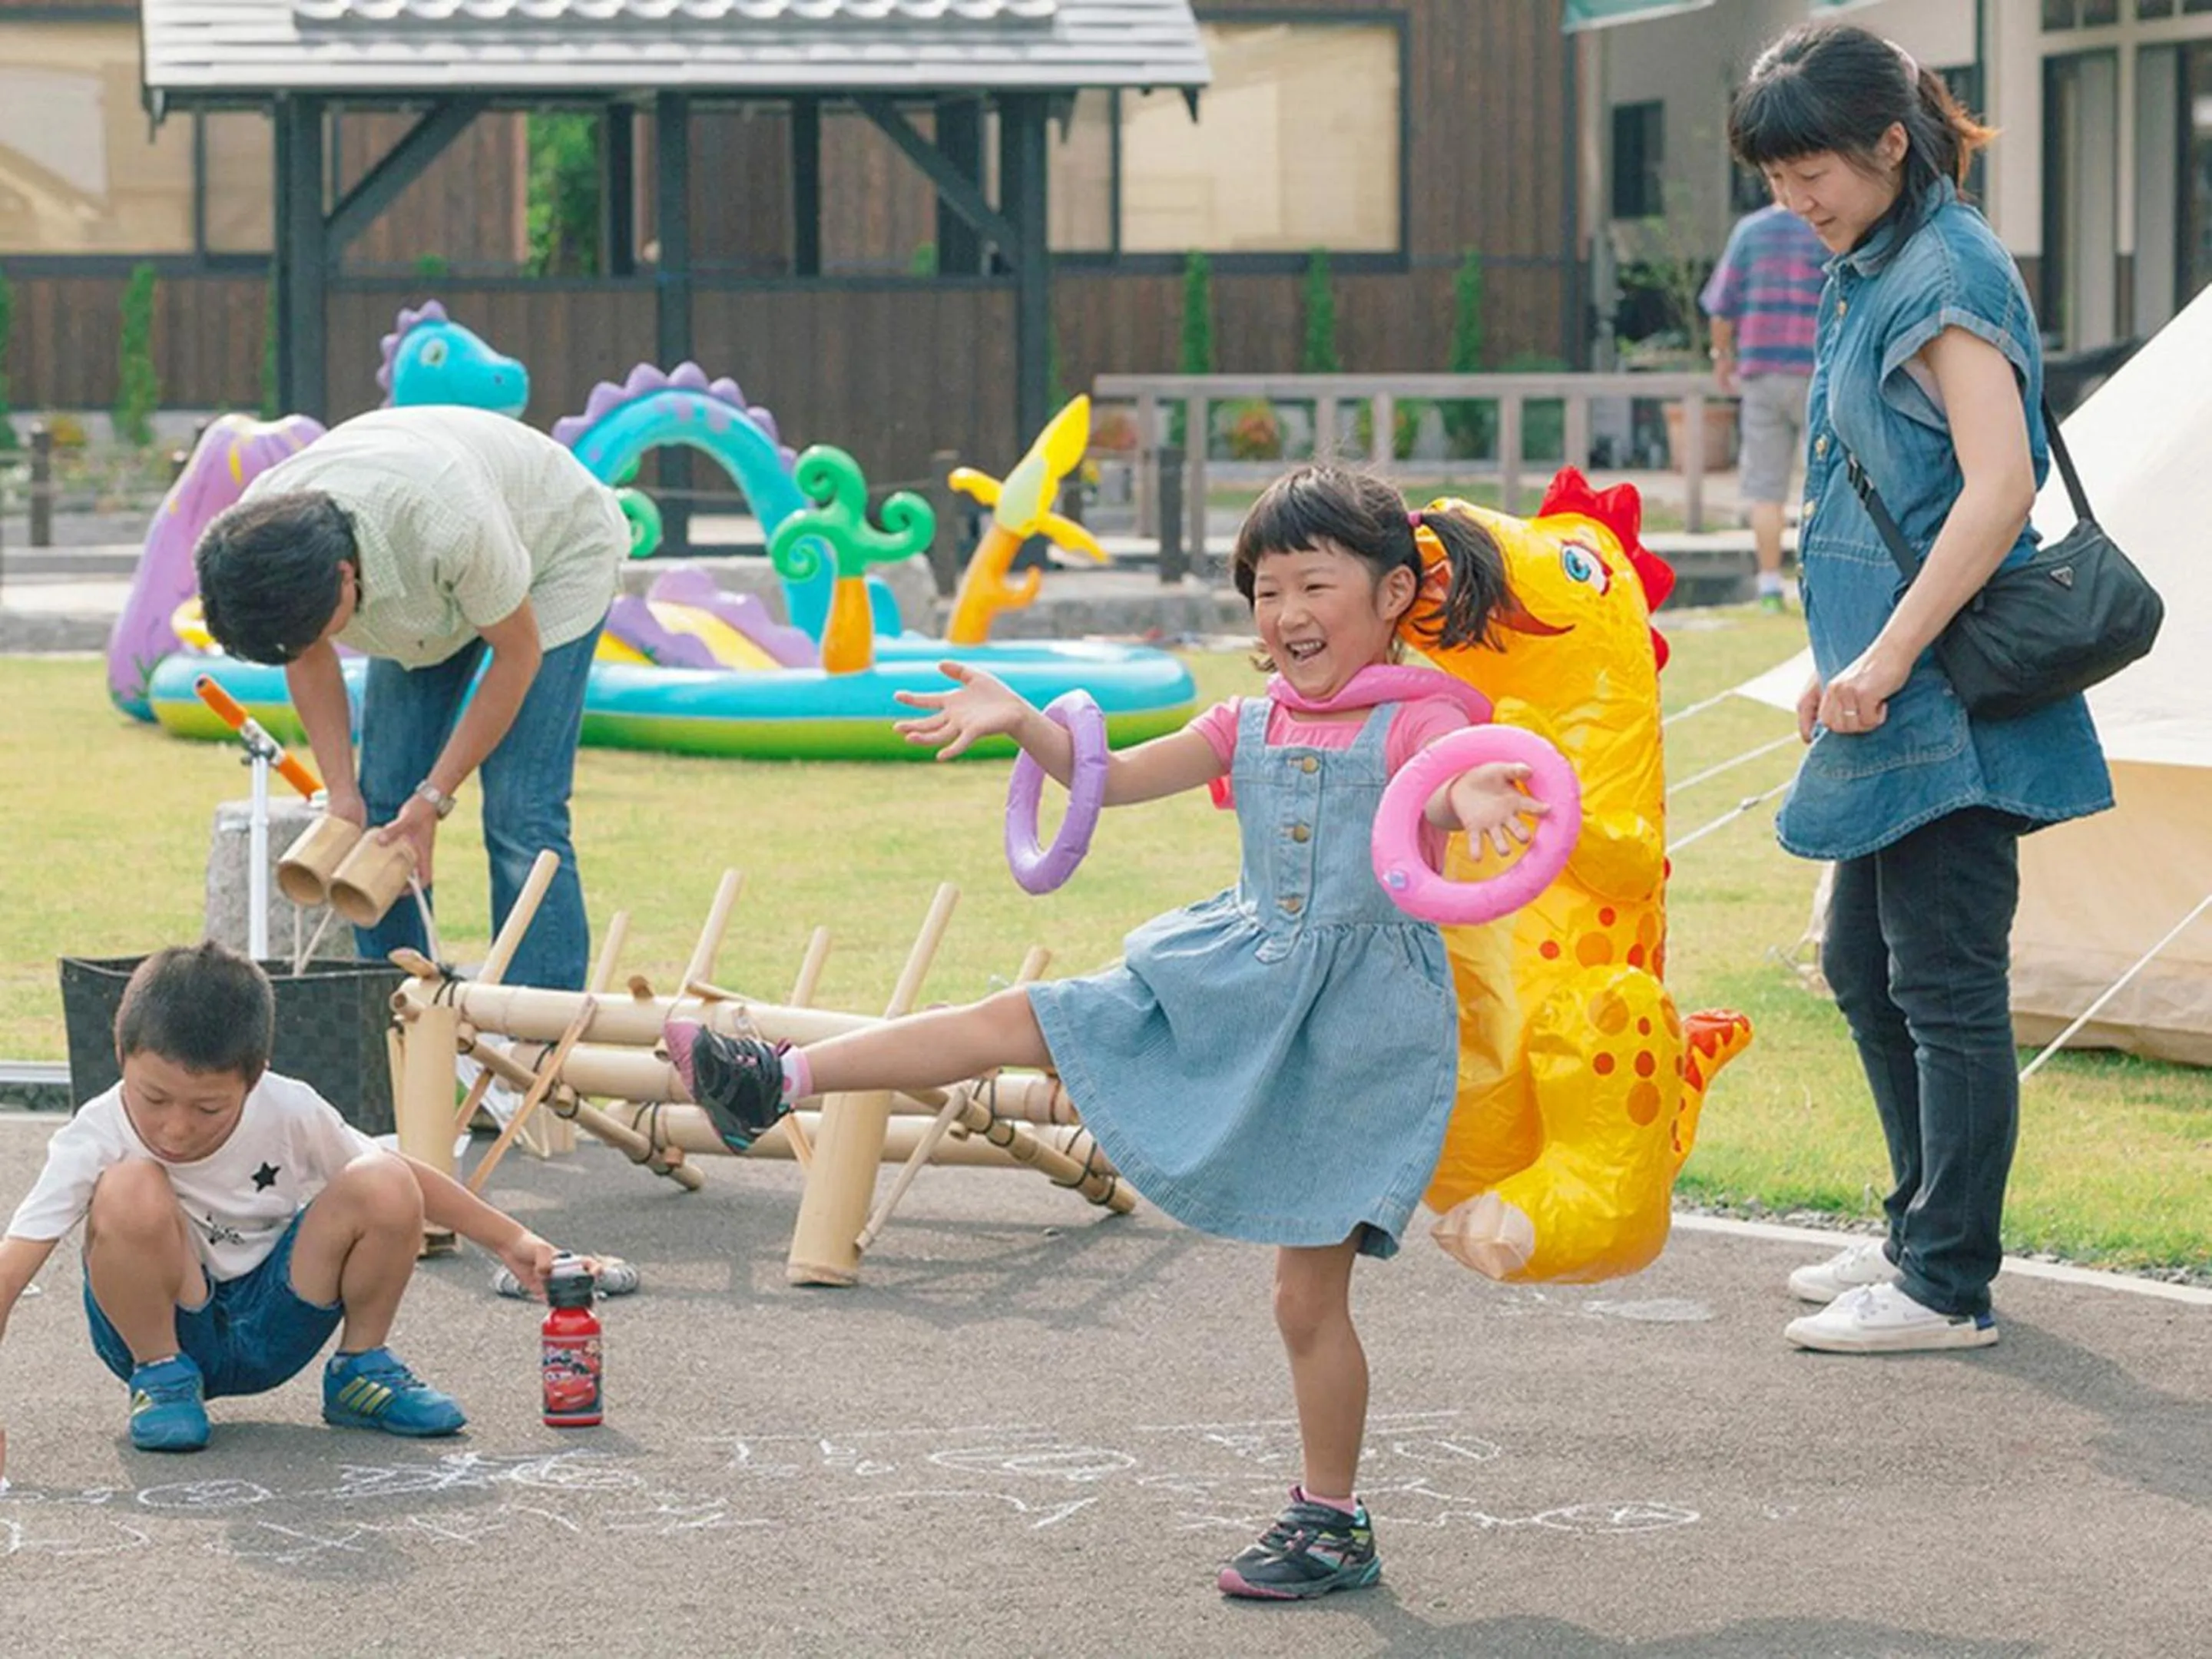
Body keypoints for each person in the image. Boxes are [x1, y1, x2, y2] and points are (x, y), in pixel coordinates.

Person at [666, 465, 1541, 1601]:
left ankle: (1332, 1521)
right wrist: (1026, 721)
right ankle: (774, 1079)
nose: (1285, 615)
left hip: (1351, 1032)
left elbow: (1439, 786)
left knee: (1301, 1300)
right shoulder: (1252, 717)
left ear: (1391, 596)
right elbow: (1111, 778)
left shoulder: (1425, 717)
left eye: (1312, 585)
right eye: (1265, 590)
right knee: (1014, 1018)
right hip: (1233, 972)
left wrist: (1467, 799)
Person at [1727, 25, 2111, 1354]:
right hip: (1889, 684)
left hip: (1944, 687)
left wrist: (1884, 657)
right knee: (1864, 962)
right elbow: (1877, 487)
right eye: (1776, 177)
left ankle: (1948, 1284)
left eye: (1812, 169)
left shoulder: (1942, 269)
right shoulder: (1875, 257)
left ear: (1891, 141)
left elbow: (1999, 484)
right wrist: (1843, 664)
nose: (1795, 201)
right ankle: (1918, 1233)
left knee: (1942, 980)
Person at [0, 942, 571, 1474]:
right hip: (163, 1325)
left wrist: (512, 1239)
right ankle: (162, 1378)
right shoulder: (94, 1135)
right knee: (127, 1186)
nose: (175, 1127)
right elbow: (14, 1265)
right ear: (121, 1053)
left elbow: (402, 1182)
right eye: (154, 1098)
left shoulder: (288, 1106)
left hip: (277, 1318)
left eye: (208, 1108)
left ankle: (360, 1369)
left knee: (383, 1177)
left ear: (255, 1077)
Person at [194, 406, 631, 991]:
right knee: (380, 805)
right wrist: (341, 799)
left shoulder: (446, 523)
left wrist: (435, 797)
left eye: (317, 627)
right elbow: (305, 654)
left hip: (555, 550)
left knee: (520, 811)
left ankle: (537, 1030)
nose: (313, 643)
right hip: (433, 582)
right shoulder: (265, 540)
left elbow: (517, 655)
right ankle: (395, 1007)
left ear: (345, 575)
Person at [1700, 193, 1828, 611]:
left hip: (1762, 373)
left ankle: (1770, 585)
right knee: (1825, 485)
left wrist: (1722, 357)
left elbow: (1721, 307)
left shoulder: (1750, 232)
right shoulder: (1826, 226)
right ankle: (1822, 584)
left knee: (1765, 489)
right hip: (1818, 373)